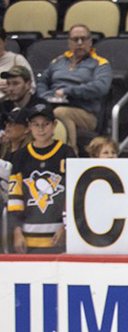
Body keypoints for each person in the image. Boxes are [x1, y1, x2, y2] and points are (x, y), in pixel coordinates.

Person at [8, 102, 75, 254]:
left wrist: (66, 226)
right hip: (28, 236)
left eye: (45, 124)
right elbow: (15, 197)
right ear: (29, 127)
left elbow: (72, 192)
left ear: (54, 125)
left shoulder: (66, 153)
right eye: (36, 124)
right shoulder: (20, 156)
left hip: (59, 235)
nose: (41, 129)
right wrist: (17, 231)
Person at [38, 25, 112, 152]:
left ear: (90, 41)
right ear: (69, 42)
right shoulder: (58, 62)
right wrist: (45, 95)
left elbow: (100, 87)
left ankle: (71, 152)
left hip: (85, 112)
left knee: (61, 112)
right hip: (53, 104)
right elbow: (42, 81)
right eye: (75, 39)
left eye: (83, 39)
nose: (79, 43)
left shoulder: (100, 63)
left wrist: (68, 92)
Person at [0, 31, 33, 102]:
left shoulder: (17, 59)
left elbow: (31, 87)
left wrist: (12, 89)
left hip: (9, 104)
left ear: (4, 42)